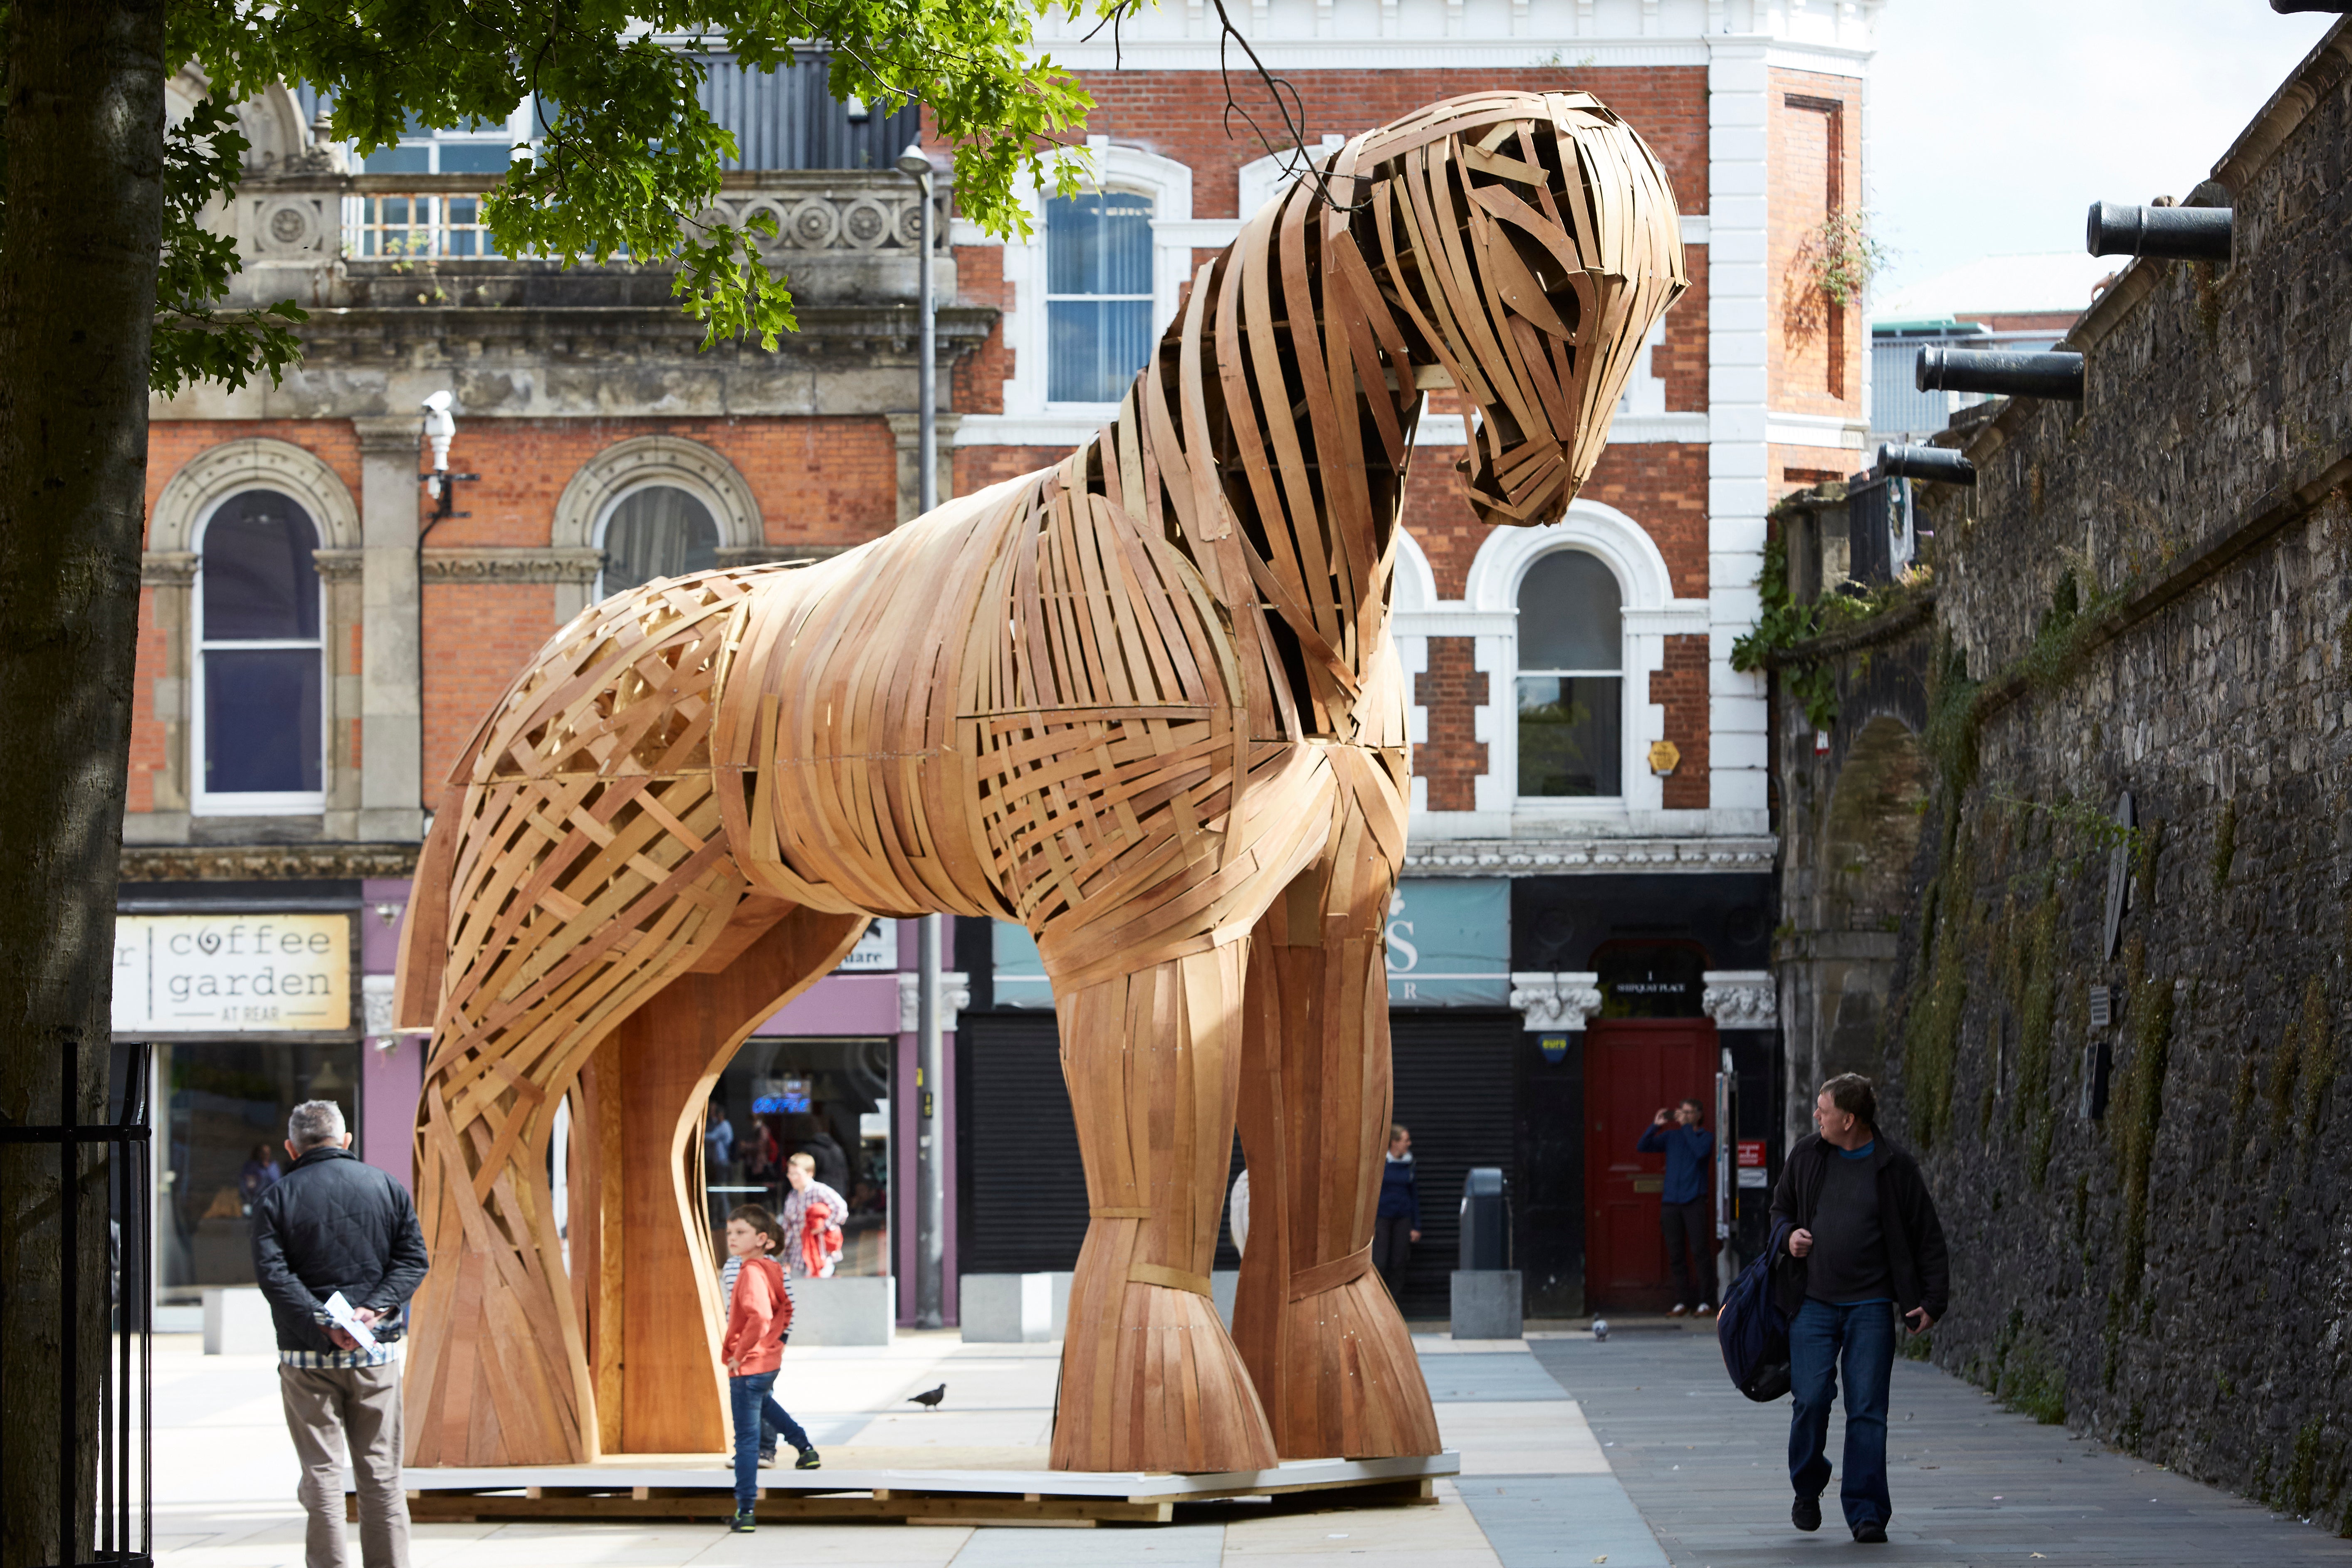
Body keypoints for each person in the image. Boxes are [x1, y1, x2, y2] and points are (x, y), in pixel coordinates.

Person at [1770, 1073, 1950, 1546]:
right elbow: (1779, 1210)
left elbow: (1927, 1237)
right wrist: (1789, 1237)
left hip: (1870, 1306)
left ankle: (1866, 1512)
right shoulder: (1808, 1154)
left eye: (1823, 1109)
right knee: (1810, 1401)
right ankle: (1807, 1488)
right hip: (1811, 1303)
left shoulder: (1895, 1168)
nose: (1816, 1116)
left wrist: (1932, 1302)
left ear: (1849, 1119)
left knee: (1868, 1410)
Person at [250, 1100, 429, 1568]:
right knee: (383, 1478)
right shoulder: (386, 1187)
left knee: (323, 1477)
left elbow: (273, 1274)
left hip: (306, 1358)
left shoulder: (275, 1198)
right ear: (347, 1141)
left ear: (292, 1148)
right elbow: (414, 1260)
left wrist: (322, 1321)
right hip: (375, 1356)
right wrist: (371, 1310)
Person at [719, 1203, 820, 1532]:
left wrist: (740, 1352)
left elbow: (759, 1316)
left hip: (747, 1364)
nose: (732, 1238)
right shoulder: (774, 1268)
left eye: (741, 1232)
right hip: (767, 1362)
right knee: (765, 1404)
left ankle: (745, 1510)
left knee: (746, 1441)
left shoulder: (747, 1270)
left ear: (763, 1238)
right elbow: (786, 1307)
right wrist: (777, 1343)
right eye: (731, 1231)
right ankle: (803, 1445)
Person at [1637, 1098, 1715, 1316]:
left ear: (1699, 1115)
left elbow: (1700, 1153)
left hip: (1694, 1202)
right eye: (1682, 1112)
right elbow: (1643, 1146)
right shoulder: (1672, 1137)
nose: (1684, 1115)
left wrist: (1688, 1128)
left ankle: (1706, 1301)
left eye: (1690, 1112)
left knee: (1700, 1252)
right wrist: (1656, 1125)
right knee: (1676, 1254)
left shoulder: (1704, 1137)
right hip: (1671, 1202)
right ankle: (1682, 1301)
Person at [780, 1151, 848, 1277]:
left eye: (797, 1174)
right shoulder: (791, 1197)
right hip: (797, 1257)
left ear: (809, 1173)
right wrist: (786, 1259)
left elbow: (841, 1210)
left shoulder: (820, 1191)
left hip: (821, 1254)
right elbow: (788, 1229)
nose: (792, 1178)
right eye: (790, 1174)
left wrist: (824, 1226)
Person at [1373, 1124, 1420, 1300]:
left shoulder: (1409, 1164)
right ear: (1394, 1142)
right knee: (1380, 1262)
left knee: (1399, 1263)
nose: (1409, 1144)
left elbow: (1413, 1195)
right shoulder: (1381, 1162)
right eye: (1405, 1140)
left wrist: (1417, 1225)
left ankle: (1393, 1302)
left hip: (1403, 1218)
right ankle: (1377, 1301)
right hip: (1382, 1218)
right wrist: (1370, 1225)